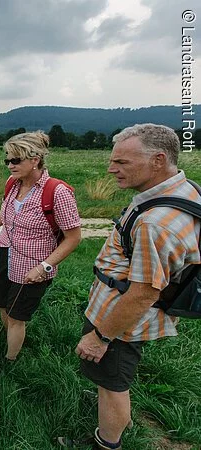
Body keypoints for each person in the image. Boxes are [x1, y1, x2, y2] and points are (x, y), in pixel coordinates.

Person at [58, 124, 200, 450]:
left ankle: (107, 441)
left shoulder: (155, 222)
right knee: (114, 379)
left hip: (121, 320)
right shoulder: (184, 188)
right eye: (113, 161)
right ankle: (120, 421)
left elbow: (144, 292)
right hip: (122, 310)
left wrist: (99, 337)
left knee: (112, 384)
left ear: (158, 160)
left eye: (122, 162)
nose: (111, 169)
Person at [0, 131, 81, 361]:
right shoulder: (13, 183)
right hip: (6, 253)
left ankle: (9, 361)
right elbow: (6, 209)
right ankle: (9, 338)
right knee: (2, 305)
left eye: (16, 160)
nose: (10, 165)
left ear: (35, 160)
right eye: (7, 160)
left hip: (33, 265)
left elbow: (73, 238)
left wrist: (44, 267)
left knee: (16, 316)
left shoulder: (57, 192)